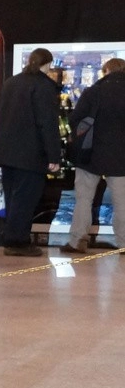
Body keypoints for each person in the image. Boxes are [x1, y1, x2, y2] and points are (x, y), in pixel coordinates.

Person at [0, 47, 62, 257]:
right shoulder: (43, 86)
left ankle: (11, 237)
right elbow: (47, 124)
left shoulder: (11, 82)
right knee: (26, 199)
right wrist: (54, 156)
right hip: (29, 153)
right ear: (48, 64)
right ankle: (17, 242)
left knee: (12, 198)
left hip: (4, 151)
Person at [63, 57, 125, 254]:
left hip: (90, 154)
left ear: (106, 71)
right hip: (121, 157)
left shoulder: (94, 91)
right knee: (122, 202)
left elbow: (75, 119)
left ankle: (77, 241)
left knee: (84, 199)